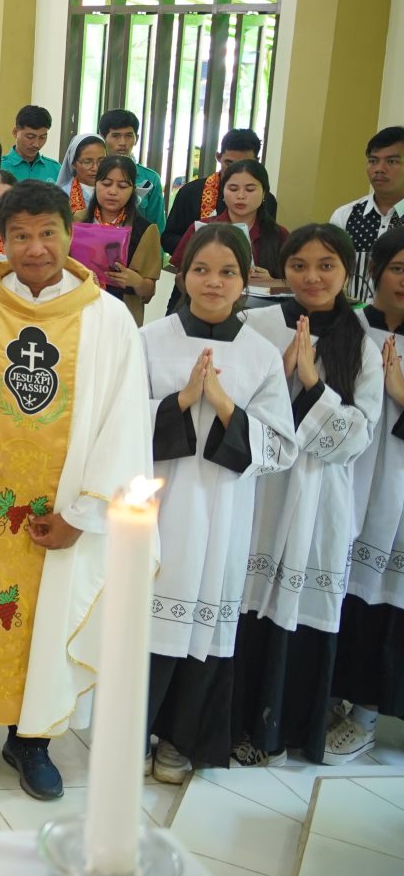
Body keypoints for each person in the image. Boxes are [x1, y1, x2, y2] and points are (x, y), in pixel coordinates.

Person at [0, 180, 152, 800]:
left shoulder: (107, 320)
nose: (34, 248)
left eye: (47, 233)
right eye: (20, 235)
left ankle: (34, 741)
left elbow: (125, 423)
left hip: (65, 508)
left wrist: (84, 513)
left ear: (70, 233)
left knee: (50, 616)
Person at [139, 226, 297, 780]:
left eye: (228, 272)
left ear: (245, 278)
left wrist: (225, 406)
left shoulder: (261, 355)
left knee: (205, 624)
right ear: (182, 276)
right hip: (159, 504)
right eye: (201, 270)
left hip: (225, 510)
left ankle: (180, 741)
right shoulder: (149, 339)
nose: (213, 282)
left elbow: (280, 446)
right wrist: (181, 401)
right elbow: (119, 422)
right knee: (148, 619)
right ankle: (131, 734)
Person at [232, 224, 383, 768]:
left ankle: (279, 732)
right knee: (244, 606)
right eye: (299, 265)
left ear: (347, 271)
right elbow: (233, 404)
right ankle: (231, 725)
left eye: (326, 266)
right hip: (259, 490)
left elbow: (356, 438)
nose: (312, 277)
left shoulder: (360, 343)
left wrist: (313, 383)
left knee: (294, 616)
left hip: (318, 497)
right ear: (284, 268)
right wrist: (277, 379)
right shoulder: (256, 323)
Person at [332, 226, 404, 764]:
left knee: (382, 595)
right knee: (338, 587)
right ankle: (329, 695)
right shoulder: (349, 326)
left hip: (398, 488)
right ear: (376, 268)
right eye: (398, 268)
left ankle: (367, 715)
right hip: (346, 476)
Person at [168, 160, 286, 313]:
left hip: (259, 317)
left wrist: (271, 282)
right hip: (204, 313)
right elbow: (180, 278)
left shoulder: (279, 235)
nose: (241, 196)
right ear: (223, 192)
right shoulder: (201, 229)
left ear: (264, 193)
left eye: (250, 189)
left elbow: (296, 288)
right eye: (233, 188)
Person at [79, 154, 162, 324]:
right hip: (79, 312)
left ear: (133, 190)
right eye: (106, 183)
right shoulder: (76, 221)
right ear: (96, 184)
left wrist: (137, 282)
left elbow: (149, 290)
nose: (113, 191)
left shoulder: (146, 230)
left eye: (122, 186)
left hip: (122, 317)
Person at [330, 126, 404, 303]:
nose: (379, 169)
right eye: (373, 161)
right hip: (351, 316)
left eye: (392, 161)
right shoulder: (345, 216)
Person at [165, 128, 261, 250]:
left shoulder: (263, 198)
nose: (236, 171)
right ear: (218, 157)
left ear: (256, 161)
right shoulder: (191, 192)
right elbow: (168, 239)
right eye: (229, 163)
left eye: (244, 164)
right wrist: (201, 248)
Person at [99, 109, 166, 229]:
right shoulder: (92, 173)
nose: (122, 142)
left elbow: (157, 227)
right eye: (116, 136)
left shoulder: (150, 179)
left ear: (137, 139)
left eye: (129, 136)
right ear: (103, 138)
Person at [0, 105, 60, 184]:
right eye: (30, 137)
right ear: (15, 132)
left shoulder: (56, 169)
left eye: (42, 137)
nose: (36, 144)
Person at [56, 135, 107, 215]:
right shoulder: (62, 196)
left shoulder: (113, 191)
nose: (95, 168)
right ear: (73, 163)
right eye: (87, 162)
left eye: (101, 161)